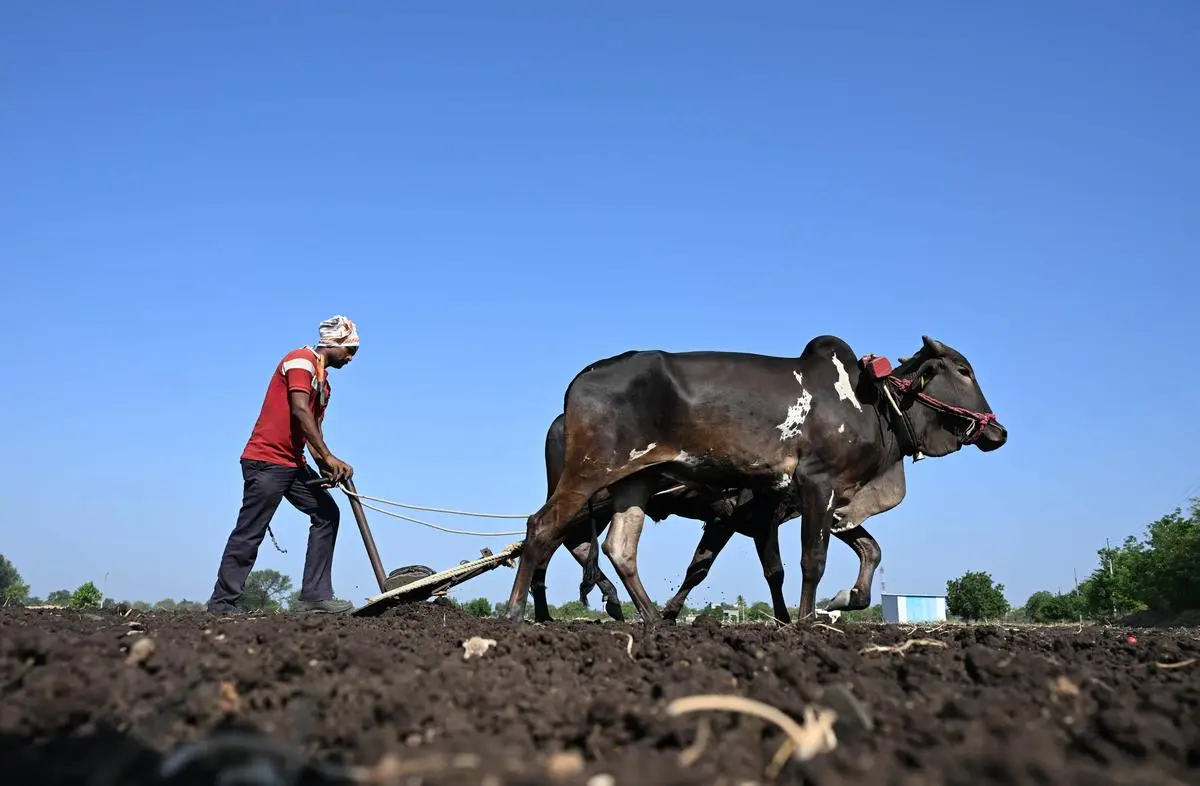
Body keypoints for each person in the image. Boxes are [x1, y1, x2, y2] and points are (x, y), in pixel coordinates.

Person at [206, 315, 361, 615]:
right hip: (266, 460)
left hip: (292, 463)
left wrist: (327, 466)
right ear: (335, 343)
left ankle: (315, 596)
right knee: (251, 530)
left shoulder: (323, 384)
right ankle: (221, 603)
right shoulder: (299, 360)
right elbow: (299, 411)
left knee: (327, 512)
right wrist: (328, 457)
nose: (351, 358)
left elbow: (313, 428)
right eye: (350, 349)